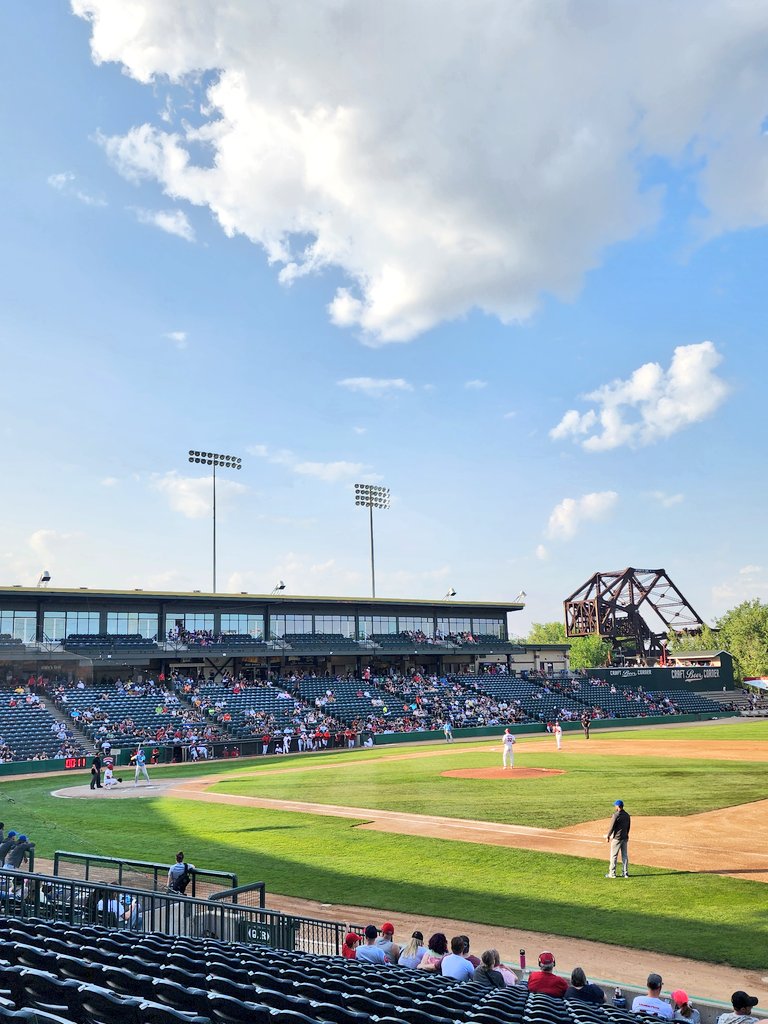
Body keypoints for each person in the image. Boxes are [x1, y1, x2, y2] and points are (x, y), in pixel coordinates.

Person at [605, 799, 631, 878]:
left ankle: (612, 874)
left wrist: (608, 836)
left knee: (614, 856)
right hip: (625, 837)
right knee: (624, 856)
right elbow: (628, 827)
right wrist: (626, 834)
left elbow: (611, 827)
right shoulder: (627, 815)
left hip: (617, 838)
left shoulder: (616, 815)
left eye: (615, 805)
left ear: (618, 806)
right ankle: (625, 873)